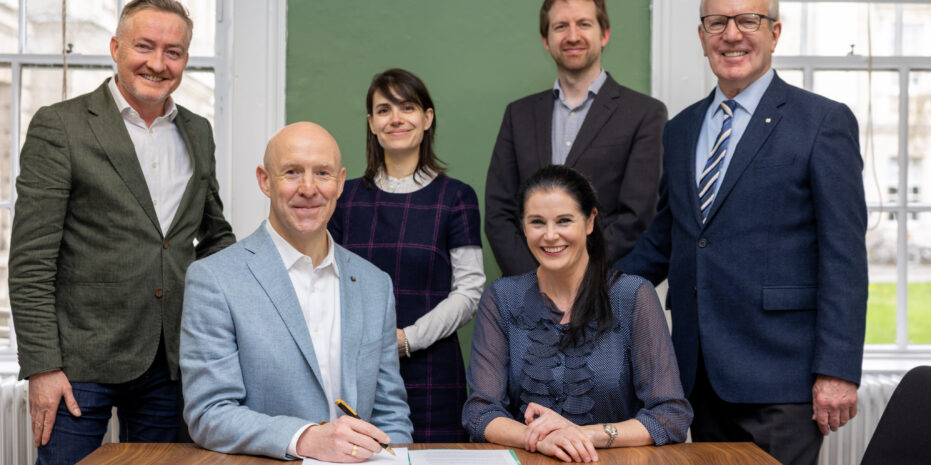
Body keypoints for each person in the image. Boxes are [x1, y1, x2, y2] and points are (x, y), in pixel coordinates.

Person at [616, 0, 867, 463]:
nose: (731, 35)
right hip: (698, 376)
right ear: (702, 36)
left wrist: (837, 369)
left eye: (748, 20)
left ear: (774, 33)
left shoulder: (822, 122)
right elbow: (667, 239)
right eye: (717, 22)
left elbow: (844, 256)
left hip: (782, 380)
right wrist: (587, 290)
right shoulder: (681, 129)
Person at [8, 1, 235, 463]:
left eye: (173, 51)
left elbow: (215, 238)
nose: (158, 63)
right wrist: (42, 367)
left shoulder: (199, 132)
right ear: (116, 48)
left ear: (185, 59)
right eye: (144, 46)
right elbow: (31, 261)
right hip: (76, 364)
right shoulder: (61, 126)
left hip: (170, 364)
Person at [181, 122, 413, 461]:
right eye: (292, 172)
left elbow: (390, 412)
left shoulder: (375, 285)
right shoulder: (214, 279)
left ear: (340, 183)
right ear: (265, 181)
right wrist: (306, 438)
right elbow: (209, 414)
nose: (308, 188)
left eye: (322, 173)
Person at [463, 165, 691, 463]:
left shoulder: (633, 295)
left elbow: (670, 415)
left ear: (590, 221)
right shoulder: (501, 298)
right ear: (523, 227)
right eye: (537, 222)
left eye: (564, 221)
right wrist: (541, 439)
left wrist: (585, 435)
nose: (550, 235)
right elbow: (480, 413)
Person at [328, 68, 483, 442]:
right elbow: (326, 282)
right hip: (356, 367)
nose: (395, 118)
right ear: (372, 123)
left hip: (433, 370)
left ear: (427, 118)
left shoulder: (456, 198)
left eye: (407, 107)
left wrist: (407, 339)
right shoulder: (343, 199)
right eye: (384, 110)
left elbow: (469, 291)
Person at [484, 0, 667, 277]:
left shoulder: (644, 114)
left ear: (604, 34)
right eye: (560, 26)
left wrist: (577, 280)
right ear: (546, 40)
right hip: (527, 291)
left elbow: (636, 217)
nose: (572, 36)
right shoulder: (517, 115)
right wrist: (537, 282)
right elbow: (499, 214)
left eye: (584, 24)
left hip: (603, 289)